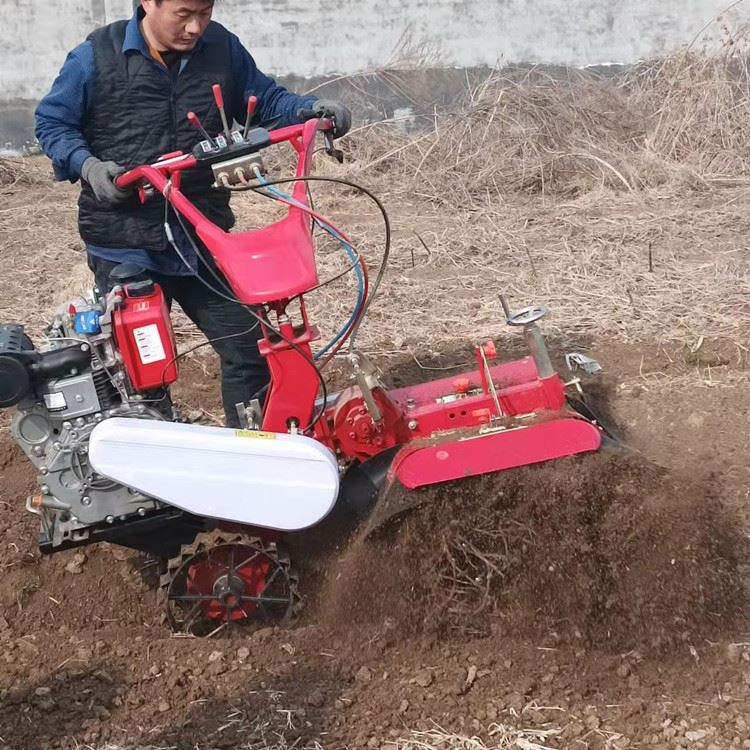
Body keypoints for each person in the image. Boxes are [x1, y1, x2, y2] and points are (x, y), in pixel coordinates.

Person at [35, 0, 351, 427]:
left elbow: (266, 99)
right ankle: (154, 470)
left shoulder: (221, 48)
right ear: (149, 3)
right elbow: (53, 123)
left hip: (199, 234)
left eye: (204, 12)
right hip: (125, 241)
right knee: (144, 367)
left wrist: (308, 110)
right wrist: (88, 166)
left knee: (250, 347)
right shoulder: (97, 55)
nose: (195, 26)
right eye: (183, 13)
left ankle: (254, 451)